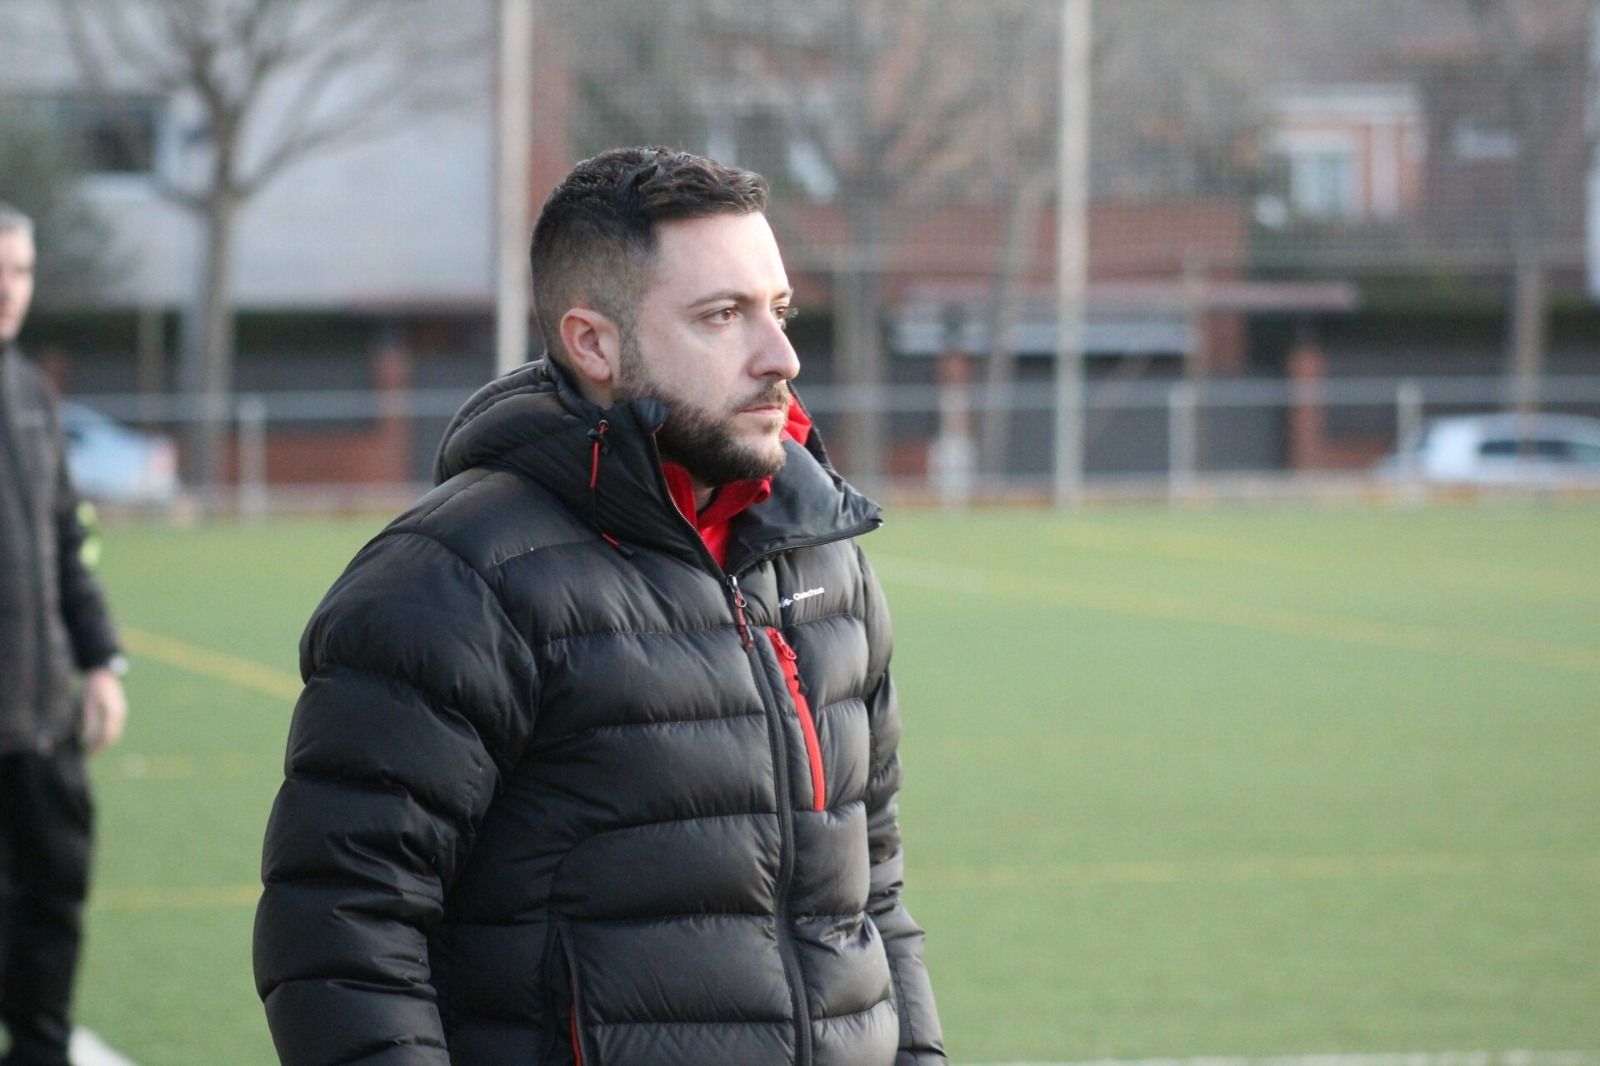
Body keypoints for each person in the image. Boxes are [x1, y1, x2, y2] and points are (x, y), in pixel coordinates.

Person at [253, 147, 946, 1066]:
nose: (781, 355)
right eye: (723, 316)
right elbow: (341, 930)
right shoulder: (452, 581)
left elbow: (872, 894)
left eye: (776, 310)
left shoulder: (825, 564)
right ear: (593, 344)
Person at [0, 202, 128, 1066]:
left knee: (53, 897)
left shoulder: (31, 392)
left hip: (40, 715)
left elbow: (63, 541)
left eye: (19, 272)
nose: (8, 290)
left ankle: (41, 1051)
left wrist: (99, 660)